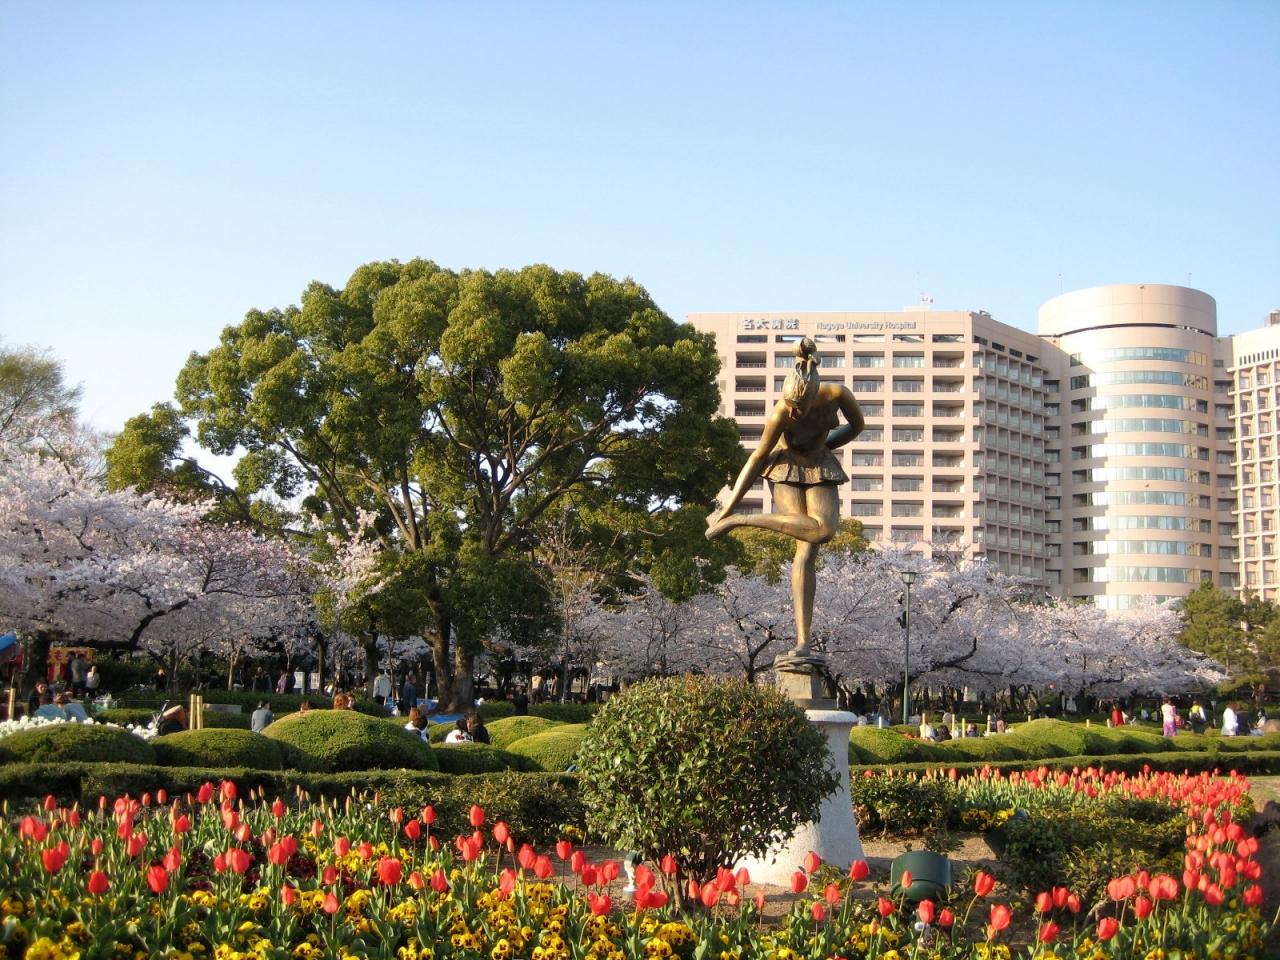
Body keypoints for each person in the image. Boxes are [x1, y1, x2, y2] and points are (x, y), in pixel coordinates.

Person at [705, 337, 865, 657]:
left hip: (820, 464)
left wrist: (826, 447)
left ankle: (744, 521)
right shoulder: (780, 413)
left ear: (813, 397)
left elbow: (857, 426)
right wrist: (727, 508)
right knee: (804, 546)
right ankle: (802, 641)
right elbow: (756, 459)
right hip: (786, 468)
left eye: (798, 409)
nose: (793, 413)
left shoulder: (837, 395)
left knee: (822, 532)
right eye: (789, 407)